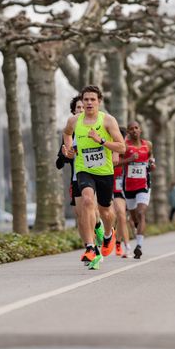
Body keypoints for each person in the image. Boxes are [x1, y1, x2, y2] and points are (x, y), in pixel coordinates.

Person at [62, 85, 126, 270]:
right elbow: (66, 133)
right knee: (88, 201)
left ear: (99, 102)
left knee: (106, 211)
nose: (89, 103)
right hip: (84, 169)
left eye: (92, 99)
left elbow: (122, 148)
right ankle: (90, 247)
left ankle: (108, 234)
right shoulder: (74, 121)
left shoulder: (108, 121)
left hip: (104, 171)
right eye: (86, 99)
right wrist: (69, 149)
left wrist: (102, 141)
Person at [56, 96, 105, 251]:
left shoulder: (96, 128)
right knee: (80, 214)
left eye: (83, 107)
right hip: (77, 177)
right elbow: (60, 162)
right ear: (73, 111)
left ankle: (98, 227)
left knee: (91, 207)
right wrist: (66, 154)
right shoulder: (69, 133)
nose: (81, 110)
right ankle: (89, 247)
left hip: (95, 174)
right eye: (78, 108)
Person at [121, 121, 155, 259]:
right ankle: (137, 227)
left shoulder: (148, 144)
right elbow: (115, 162)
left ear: (140, 130)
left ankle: (139, 246)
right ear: (128, 132)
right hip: (128, 186)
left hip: (144, 185)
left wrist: (152, 165)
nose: (134, 130)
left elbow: (150, 158)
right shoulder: (125, 146)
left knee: (141, 213)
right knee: (134, 216)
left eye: (136, 128)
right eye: (131, 129)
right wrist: (129, 159)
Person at [112, 127, 131, 258]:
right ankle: (126, 246)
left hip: (125, 188)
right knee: (117, 216)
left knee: (122, 217)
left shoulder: (129, 150)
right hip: (110, 187)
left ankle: (119, 243)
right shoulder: (110, 148)